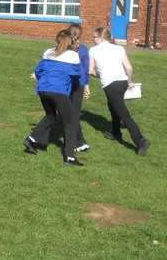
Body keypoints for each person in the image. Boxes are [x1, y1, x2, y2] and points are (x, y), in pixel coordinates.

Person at [24, 29, 87, 166]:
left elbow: (38, 70)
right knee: (69, 122)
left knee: (50, 116)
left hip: (42, 89)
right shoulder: (72, 55)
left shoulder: (48, 53)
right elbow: (76, 74)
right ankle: (69, 157)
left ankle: (31, 139)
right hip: (58, 91)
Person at [88, 27, 150, 155]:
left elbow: (90, 71)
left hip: (110, 85)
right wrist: (129, 81)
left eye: (94, 37)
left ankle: (140, 141)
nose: (92, 39)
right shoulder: (119, 48)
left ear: (101, 38)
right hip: (122, 82)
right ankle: (116, 132)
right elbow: (128, 67)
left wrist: (99, 75)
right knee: (113, 106)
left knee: (124, 115)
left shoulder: (93, 50)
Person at [67, 23, 91, 153]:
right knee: (73, 113)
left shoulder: (63, 47)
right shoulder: (83, 49)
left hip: (66, 82)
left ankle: (78, 141)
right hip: (79, 83)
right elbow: (86, 70)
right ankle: (78, 142)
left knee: (69, 113)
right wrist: (86, 84)